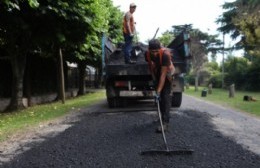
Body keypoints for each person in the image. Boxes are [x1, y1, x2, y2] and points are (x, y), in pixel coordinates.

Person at [145, 39, 175, 132]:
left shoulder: (165, 55)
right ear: (149, 49)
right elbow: (151, 66)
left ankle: (165, 124)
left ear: (160, 49)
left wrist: (158, 91)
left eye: (156, 51)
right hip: (157, 73)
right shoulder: (147, 54)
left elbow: (163, 75)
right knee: (160, 100)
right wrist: (154, 80)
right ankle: (161, 118)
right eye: (152, 51)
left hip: (167, 74)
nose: (154, 53)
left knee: (165, 98)